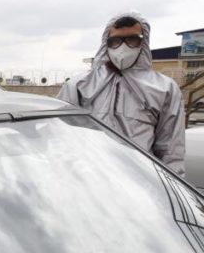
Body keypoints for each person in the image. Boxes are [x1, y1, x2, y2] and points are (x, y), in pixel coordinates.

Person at [57, 12, 185, 175]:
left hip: (138, 180)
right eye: (115, 41)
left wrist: (172, 187)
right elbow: (59, 134)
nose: (123, 47)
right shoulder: (80, 85)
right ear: (106, 42)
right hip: (89, 177)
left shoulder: (164, 89)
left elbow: (171, 149)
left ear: (143, 42)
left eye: (132, 40)